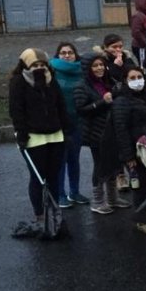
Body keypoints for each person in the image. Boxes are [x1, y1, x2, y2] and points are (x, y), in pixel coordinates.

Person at [9, 48, 68, 228]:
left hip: (55, 135)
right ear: (25, 65)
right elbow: (16, 110)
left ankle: (54, 210)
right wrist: (21, 134)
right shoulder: (19, 82)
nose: (39, 68)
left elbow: (60, 106)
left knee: (54, 176)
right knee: (37, 178)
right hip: (34, 137)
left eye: (42, 65)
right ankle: (40, 214)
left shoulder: (52, 80)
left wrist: (66, 130)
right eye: (35, 65)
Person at [72, 53, 130, 215]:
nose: (99, 68)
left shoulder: (108, 81)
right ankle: (97, 201)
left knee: (114, 163)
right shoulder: (81, 86)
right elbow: (81, 109)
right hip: (96, 132)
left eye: (101, 65)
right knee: (100, 165)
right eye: (95, 66)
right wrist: (101, 102)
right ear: (87, 68)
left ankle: (113, 197)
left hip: (113, 130)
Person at [112, 65, 146, 236]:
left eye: (139, 77)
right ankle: (142, 220)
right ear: (125, 82)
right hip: (137, 152)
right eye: (132, 78)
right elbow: (120, 130)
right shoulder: (122, 102)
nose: (137, 81)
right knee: (141, 186)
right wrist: (128, 156)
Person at [49, 42, 88, 207]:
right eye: (63, 53)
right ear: (58, 55)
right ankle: (60, 194)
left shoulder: (82, 71)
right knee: (60, 161)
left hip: (77, 122)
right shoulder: (52, 71)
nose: (66, 55)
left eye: (70, 52)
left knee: (74, 159)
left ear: (75, 55)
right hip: (59, 123)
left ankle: (75, 192)